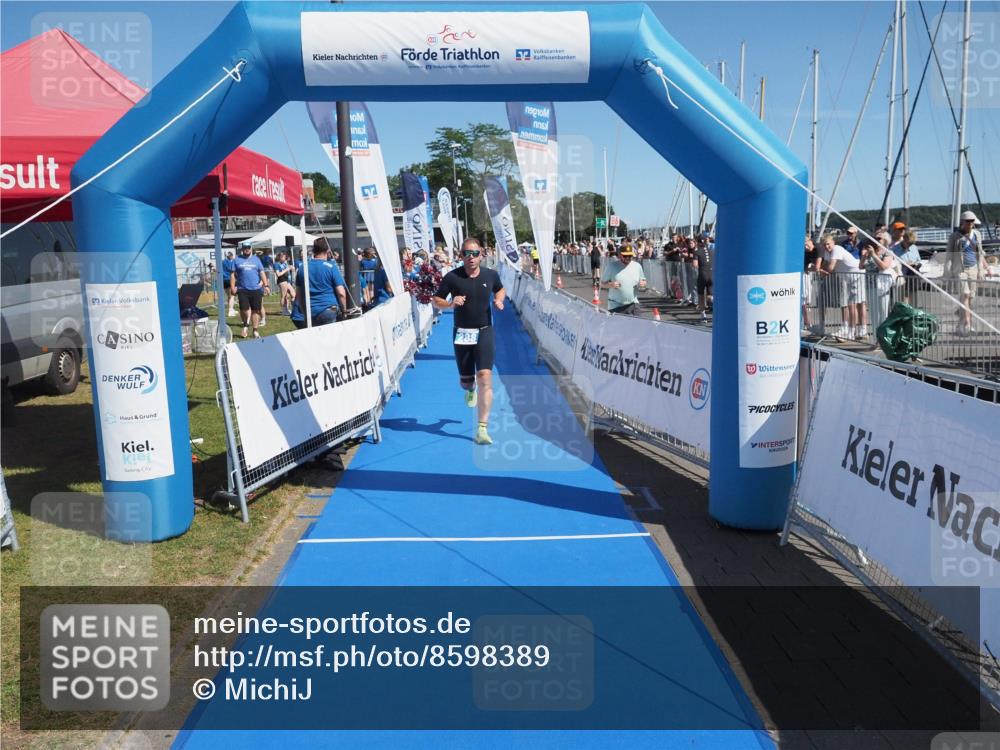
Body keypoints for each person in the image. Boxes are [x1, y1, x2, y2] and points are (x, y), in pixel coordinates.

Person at [432, 238, 505, 446]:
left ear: (482, 254)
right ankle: (470, 389)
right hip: (462, 333)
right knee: (466, 382)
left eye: (475, 253)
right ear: (460, 255)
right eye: (466, 253)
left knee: (485, 376)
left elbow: (500, 289)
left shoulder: (491, 275)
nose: (471, 257)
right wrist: (450, 303)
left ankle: (482, 428)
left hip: (484, 331)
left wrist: (499, 299)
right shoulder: (452, 277)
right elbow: (436, 300)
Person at [944, 210, 993, 335]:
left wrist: (984, 269)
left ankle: (960, 323)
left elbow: (980, 253)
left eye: (972, 221)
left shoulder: (977, 234)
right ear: (962, 222)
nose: (970, 223)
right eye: (968, 221)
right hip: (960, 270)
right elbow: (949, 255)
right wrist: (946, 273)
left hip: (973, 269)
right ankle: (968, 323)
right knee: (965, 295)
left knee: (970, 298)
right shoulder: (954, 236)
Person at [291, 237, 348, 329]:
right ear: (328, 250)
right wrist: (345, 311)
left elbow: (299, 294)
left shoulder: (302, 268)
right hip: (329, 310)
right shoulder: (331, 267)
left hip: (311, 312)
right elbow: (341, 293)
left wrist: (305, 312)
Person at [819, 233, 865, 340]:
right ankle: (847, 330)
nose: (827, 246)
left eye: (828, 244)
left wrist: (822, 271)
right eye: (824, 245)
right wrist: (822, 269)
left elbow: (830, 267)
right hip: (846, 278)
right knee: (847, 304)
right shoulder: (827, 252)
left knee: (852, 304)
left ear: (833, 243)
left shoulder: (837, 249)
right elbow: (825, 264)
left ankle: (851, 332)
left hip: (856, 275)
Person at [231, 243, 269, 339]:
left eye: (248, 248)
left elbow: (262, 272)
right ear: (242, 249)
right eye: (245, 248)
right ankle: (245, 324)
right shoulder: (237, 260)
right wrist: (232, 287)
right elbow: (232, 275)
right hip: (242, 289)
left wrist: (266, 285)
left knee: (256, 310)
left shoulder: (256, 260)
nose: (247, 249)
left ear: (251, 248)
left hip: (256, 289)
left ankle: (255, 330)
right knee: (244, 309)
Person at [600, 245, 647, 315]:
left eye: (630, 256)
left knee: (638, 325)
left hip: (633, 304)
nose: (628, 258)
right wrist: (610, 285)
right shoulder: (612, 266)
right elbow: (601, 284)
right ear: (619, 255)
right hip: (616, 305)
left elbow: (643, 281)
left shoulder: (637, 266)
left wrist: (643, 284)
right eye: (625, 256)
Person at [692, 235, 714, 321]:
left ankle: (703, 315)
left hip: (702, 274)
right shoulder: (713, 251)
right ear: (705, 242)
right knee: (710, 295)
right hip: (712, 274)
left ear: (697, 242)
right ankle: (713, 302)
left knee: (701, 295)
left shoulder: (697, 252)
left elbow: (695, 265)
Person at [222, 251, 237, 317]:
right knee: (232, 296)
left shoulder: (223, 262)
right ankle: (230, 310)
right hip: (230, 279)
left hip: (223, 280)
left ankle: (231, 309)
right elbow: (233, 270)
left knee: (229, 296)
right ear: (231, 256)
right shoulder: (232, 262)